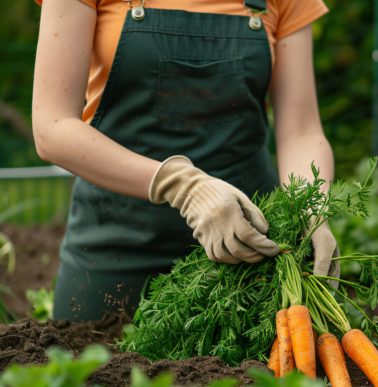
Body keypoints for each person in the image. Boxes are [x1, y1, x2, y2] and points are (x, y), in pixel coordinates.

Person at [31, 0, 339, 320]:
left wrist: (310, 206)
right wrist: (181, 184)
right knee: (85, 368)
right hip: (114, 247)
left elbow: (301, 132)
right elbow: (52, 128)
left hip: (246, 251)